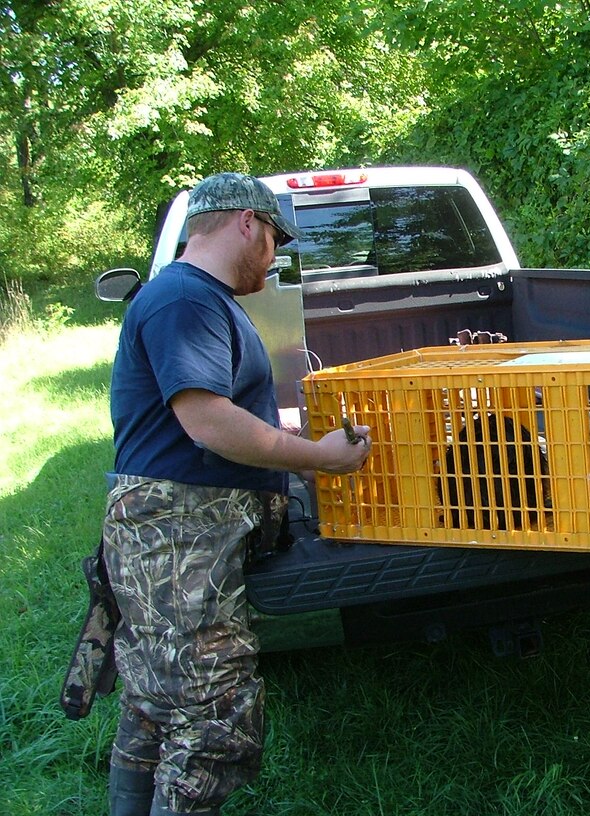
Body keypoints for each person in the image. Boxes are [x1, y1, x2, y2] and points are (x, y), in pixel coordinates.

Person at [102, 172, 372, 816]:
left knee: (154, 701)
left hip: (174, 531)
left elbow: (220, 410)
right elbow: (207, 422)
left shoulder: (198, 300)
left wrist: (293, 435)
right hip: (178, 534)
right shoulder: (185, 301)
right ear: (247, 223)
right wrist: (318, 461)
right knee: (213, 719)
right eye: (276, 239)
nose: (275, 257)